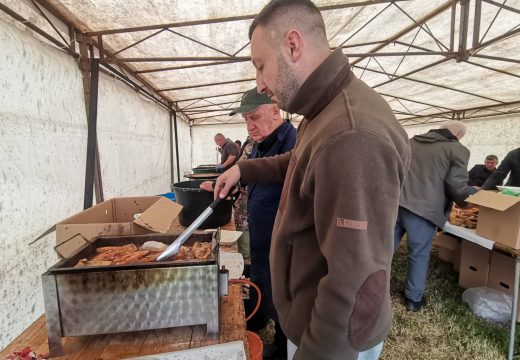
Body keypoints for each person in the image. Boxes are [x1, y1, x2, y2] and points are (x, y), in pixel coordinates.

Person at [213, 1, 411, 359]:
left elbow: (351, 283)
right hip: (308, 318)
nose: (260, 82)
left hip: (334, 339)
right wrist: (244, 168)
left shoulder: (350, 133)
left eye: (261, 66)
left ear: (292, 45)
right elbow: (299, 162)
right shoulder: (323, 111)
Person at [230, 87, 296, 359]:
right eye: (245, 119)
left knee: (282, 291)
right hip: (260, 233)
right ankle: (257, 318)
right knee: (259, 277)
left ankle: (282, 346)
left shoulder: (293, 142)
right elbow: (253, 176)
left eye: (255, 117)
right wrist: (234, 183)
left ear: (274, 110)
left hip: (281, 237)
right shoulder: (259, 144)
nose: (250, 125)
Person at [394, 120, 476, 312]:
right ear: (459, 135)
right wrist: (467, 201)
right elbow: (456, 186)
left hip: (397, 203)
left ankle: (371, 287)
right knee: (419, 255)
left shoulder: (411, 141)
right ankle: (413, 299)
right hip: (424, 210)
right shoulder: (458, 150)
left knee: (384, 249)